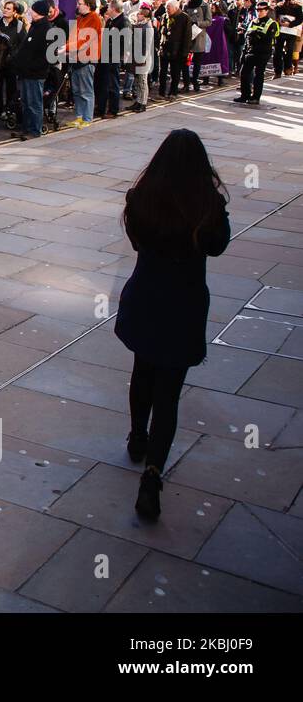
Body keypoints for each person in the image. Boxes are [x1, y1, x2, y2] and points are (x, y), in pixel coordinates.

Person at [115, 129, 230, 521]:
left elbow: (135, 241)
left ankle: (136, 436)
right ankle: (152, 475)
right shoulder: (206, 204)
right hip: (183, 302)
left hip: (146, 296)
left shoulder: (142, 197)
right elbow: (218, 245)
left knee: (141, 370)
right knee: (168, 394)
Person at [12, 0, 57, 139]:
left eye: (33, 9)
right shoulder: (35, 26)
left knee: (34, 103)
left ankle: (34, 130)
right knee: (25, 102)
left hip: (35, 74)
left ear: (39, 12)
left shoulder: (46, 29)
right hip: (26, 72)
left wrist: (34, 67)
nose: (30, 11)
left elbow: (49, 55)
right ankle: (26, 128)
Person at [235, 0, 279, 104]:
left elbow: (268, 39)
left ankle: (255, 97)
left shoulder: (271, 23)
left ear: (267, 10)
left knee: (258, 75)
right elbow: (247, 37)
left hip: (262, 53)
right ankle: (244, 95)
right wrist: (244, 52)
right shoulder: (253, 21)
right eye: (257, 10)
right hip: (250, 51)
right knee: (244, 73)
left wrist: (256, 34)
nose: (259, 12)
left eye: (261, 10)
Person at [68, 0, 101, 128]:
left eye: (80, 4)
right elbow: (73, 36)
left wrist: (66, 47)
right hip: (76, 59)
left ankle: (87, 119)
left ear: (87, 5)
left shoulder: (94, 19)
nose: (77, 6)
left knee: (86, 91)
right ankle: (79, 117)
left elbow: (85, 39)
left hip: (87, 59)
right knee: (76, 90)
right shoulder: (80, 18)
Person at [98, 0, 129, 119]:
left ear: (114, 8)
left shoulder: (123, 22)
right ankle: (101, 107)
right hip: (106, 56)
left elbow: (123, 42)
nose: (107, 10)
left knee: (113, 84)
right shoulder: (111, 21)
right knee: (104, 83)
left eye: (109, 7)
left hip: (113, 57)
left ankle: (113, 109)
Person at [159, 0, 192, 99]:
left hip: (177, 51)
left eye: (168, 8)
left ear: (176, 8)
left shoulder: (184, 18)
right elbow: (162, 31)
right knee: (162, 73)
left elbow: (187, 37)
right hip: (164, 49)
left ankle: (173, 92)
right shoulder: (165, 16)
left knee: (175, 73)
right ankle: (161, 92)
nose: (166, 10)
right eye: (166, 8)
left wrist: (185, 52)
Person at [129, 4, 155, 112]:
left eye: (139, 14)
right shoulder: (140, 25)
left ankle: (143, 103)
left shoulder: (147, 27)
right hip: (137, 56)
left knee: (143, 81)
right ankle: (138, 101)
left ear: (144, 16)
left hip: (143, 57)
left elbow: (147, 45)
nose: (137, 15)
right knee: (138, 81)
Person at [273, 0, 301, 79]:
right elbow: (275, 14)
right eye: (292, 0)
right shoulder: (280, 7)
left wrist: (290, 24)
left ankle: (288, 68)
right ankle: (277, 71)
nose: (293, 1)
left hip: (291, 31)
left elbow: (300, 19)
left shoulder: (298, 8)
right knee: (277, 51)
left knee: (289, 51)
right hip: (281, 31)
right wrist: (278, 21)